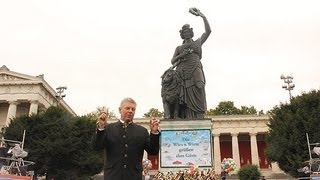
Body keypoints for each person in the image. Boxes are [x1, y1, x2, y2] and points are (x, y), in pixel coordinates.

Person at [92, 97, 160, 180]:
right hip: (112, 176)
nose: (130, 111)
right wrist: (101, 127)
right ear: (120, 110)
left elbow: (153, 151)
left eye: (133, 109)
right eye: (127, 108)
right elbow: (96, 146)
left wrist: (154, 133)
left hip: (133, 176)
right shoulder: (108, 129)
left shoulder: (142, 131)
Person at [171, 8, 211, 119]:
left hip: (196, 68)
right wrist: (182, 55)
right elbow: (173, 61)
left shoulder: (198, 42)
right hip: (183, 71)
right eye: (184, 32)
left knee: (199, 86)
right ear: (182, 35)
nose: (187, 33)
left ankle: (200, 114)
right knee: (185, 93)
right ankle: (187, 116)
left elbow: (208, 32)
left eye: (188, 31)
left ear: (191, 33)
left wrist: (203, 16)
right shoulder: (179, 48)